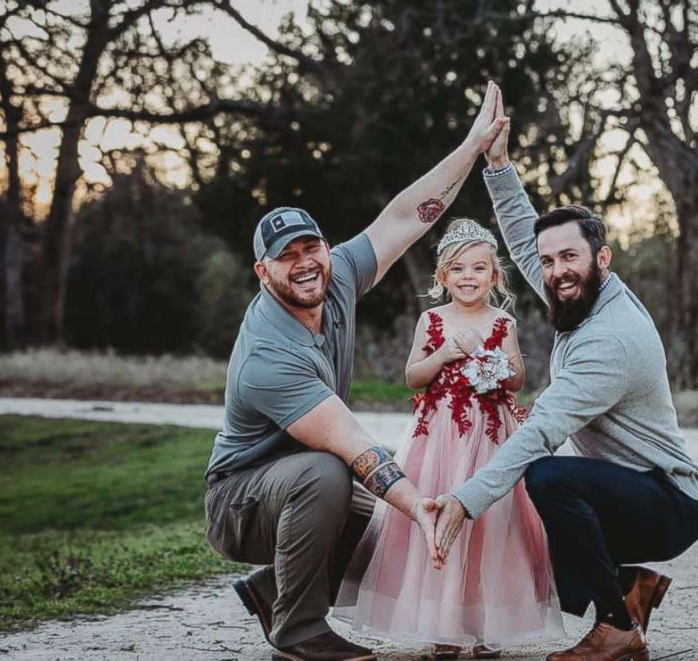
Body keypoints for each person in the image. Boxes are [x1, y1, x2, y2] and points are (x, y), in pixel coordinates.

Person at [203, 83, 509, 661]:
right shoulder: (269, 353)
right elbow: (352, 446)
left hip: (301, 486)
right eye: (287, 256)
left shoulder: (338, 273)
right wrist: (418, 504)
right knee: (336, 478)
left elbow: (406, 216)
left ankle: (273, 588)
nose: (305, 263)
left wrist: (471, 147)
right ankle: (296, 632)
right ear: (262, 271)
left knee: (390, 534)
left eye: (310, 247)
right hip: (241, 500)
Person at [432, 96, 698, 661]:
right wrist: (498, 166)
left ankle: (616, 628)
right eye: (548, 260)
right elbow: (520, 235)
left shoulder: (610, 338)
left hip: (667, 499)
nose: (556, 271)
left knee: (545, 480)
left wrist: (463, 501)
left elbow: (541, 434)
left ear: (602, 258)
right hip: (631, 486)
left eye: (569, 257)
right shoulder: (578, 294)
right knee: (534, 502)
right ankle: (631, 587)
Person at [335, 219, 565, 659]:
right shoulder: (432, 319)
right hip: (440, 435)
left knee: (491, 526)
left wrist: (495, 363)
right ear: (443, 277)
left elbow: (517, 380)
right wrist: (443, 355)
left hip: (490, 438)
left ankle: (483, 627)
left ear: (494, 276)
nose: (468, 277)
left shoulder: (502, 322)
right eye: (458, 269)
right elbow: (413, 376)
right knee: (438, 518)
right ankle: (440, 626)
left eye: (478, 269)